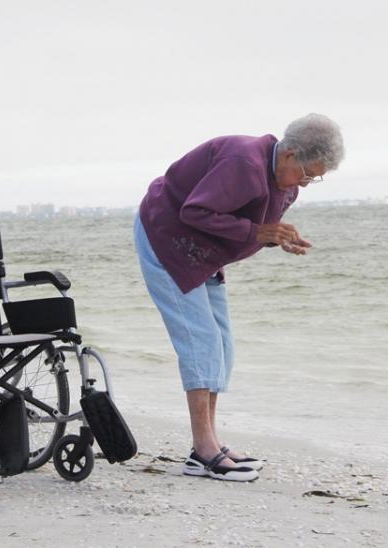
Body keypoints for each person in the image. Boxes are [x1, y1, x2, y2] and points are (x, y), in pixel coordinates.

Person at [133, 113, 345, 482]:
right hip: (166, 236)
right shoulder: (244, 163)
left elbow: (254, 229)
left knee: (222, 344)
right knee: (200, 341)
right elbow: (194, 210)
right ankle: (203, 451)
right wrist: (260, 231)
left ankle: (210, 441)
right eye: (309, 173)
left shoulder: (287, 183)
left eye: (318, 178)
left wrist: (278, 239)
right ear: (291, 155)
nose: (308, 183)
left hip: (205, 249)